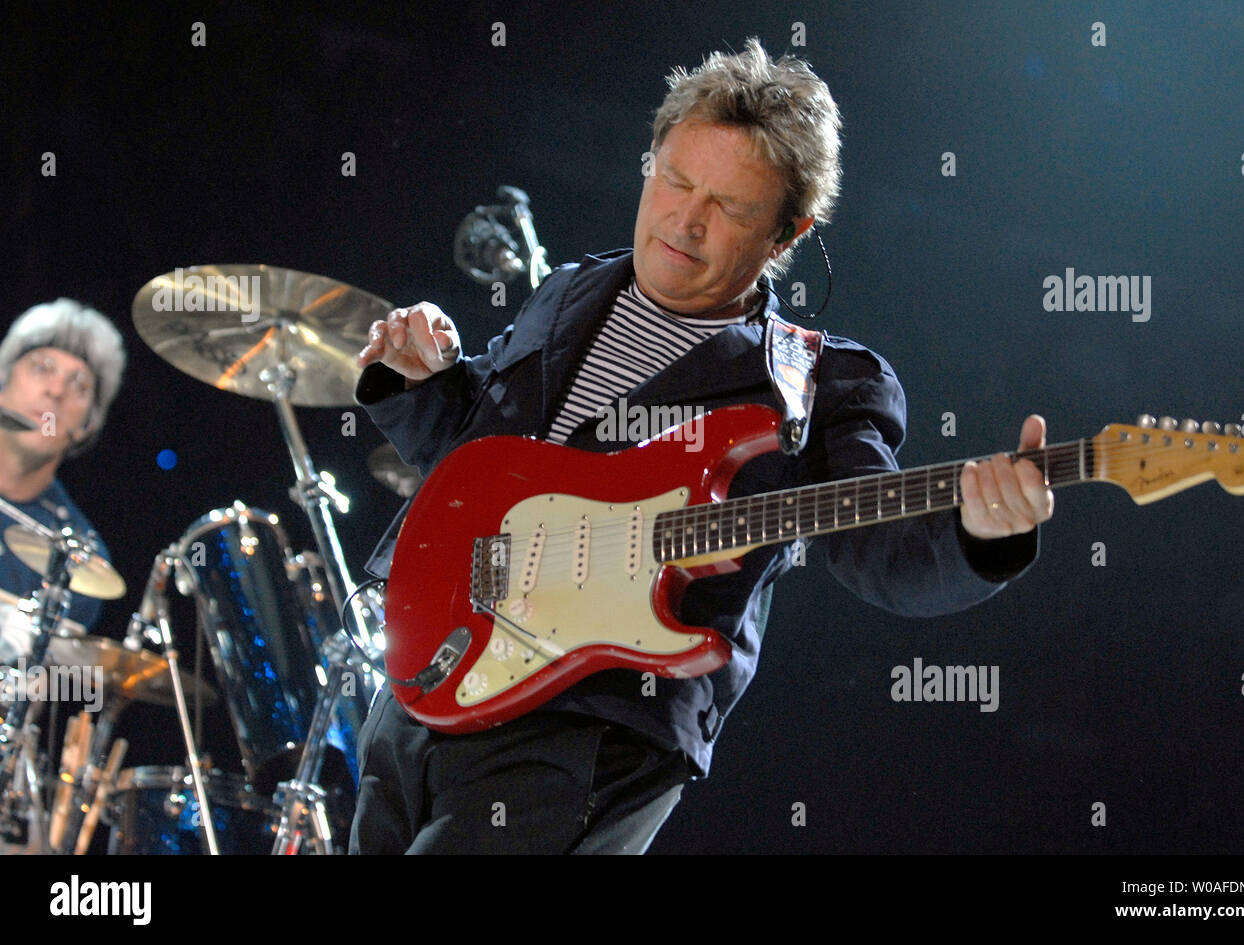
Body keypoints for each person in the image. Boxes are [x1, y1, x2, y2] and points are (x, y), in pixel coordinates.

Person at [350, 40, 1053, 854]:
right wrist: (416, 384)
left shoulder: (820, 384)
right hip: (430, 676)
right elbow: (473, 465)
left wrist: (983, 534)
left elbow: (882, 550)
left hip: (590, 718)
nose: (686, 219)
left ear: (788, 233)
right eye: (676, 180)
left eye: (730, 206)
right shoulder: (569, 291)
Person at [0, 298, 125, 647]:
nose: (55, 391)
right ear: (3, 380)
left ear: (87, 425)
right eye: (42, 367)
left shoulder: (79, 556)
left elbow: (34, 694)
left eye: (79, 385)